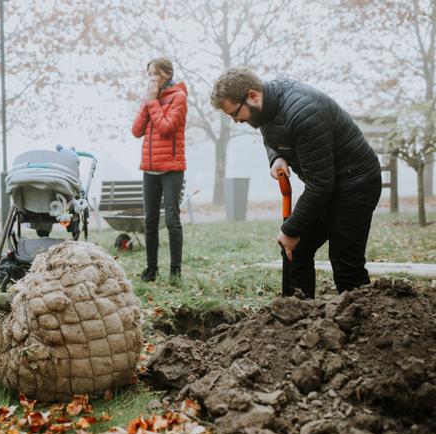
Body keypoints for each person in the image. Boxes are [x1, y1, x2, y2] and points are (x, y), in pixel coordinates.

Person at [210, 67, 381, 297]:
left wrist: (291, 228)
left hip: (356, 184)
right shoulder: (266, 107)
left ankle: (366, 326)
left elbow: (321, 183)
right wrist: (276, 157)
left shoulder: (303, 112)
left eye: (235, 113)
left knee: (345, 263)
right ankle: (297, 319)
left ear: (252, 95)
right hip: (328, 184)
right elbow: (271, 132)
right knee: (294, 249)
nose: (237, 121)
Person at [131, 57, 188, 282]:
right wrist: (148, 102)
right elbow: (136, 131)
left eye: (154, 74)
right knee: (150, 221)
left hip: (172, 168)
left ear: (166, 74)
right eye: (149, 75)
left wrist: (152, 102)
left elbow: (166, 128)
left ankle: (175, 271)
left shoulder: (179, 98)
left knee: (172, 219)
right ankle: (151, 269)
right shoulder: (151, 99)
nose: (151, 79)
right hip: (150, 168)